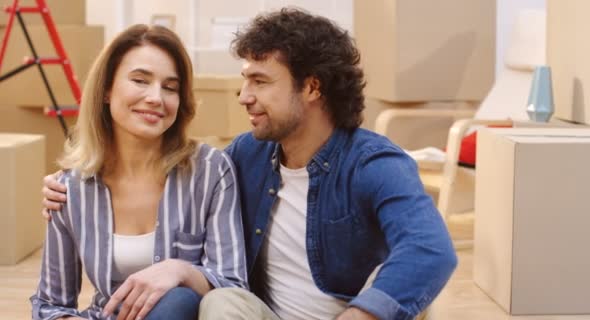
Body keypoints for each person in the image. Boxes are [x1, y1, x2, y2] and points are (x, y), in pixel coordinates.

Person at [43, 8, 457, 320]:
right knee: (221, 304)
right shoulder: (247, 155)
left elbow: (430, 250)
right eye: (244, 80)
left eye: (259, 81)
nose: (243, 96)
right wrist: (70, 184)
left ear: (312, 87)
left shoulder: (373, 164)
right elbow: (180, 175)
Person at [32, 24, 247, 320]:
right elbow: (50, 305)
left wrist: (179, 270)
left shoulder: (210, 171)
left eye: (170, 88)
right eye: (140, 81)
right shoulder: (70, 188)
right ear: (107, 90)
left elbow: (232, 286)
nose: (156, 98)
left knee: (178, 298)